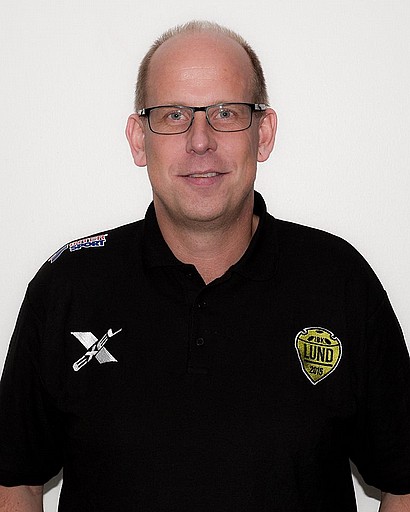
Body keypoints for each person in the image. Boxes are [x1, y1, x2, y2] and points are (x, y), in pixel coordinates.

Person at [0, 20, 409, 512]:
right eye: (173, 115)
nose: (200, 141)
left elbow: (403, 479)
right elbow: (14, 480)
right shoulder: (68, 287)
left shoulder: (339, 282)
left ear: (263, 134)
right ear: (138, 139)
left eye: (225, 113)